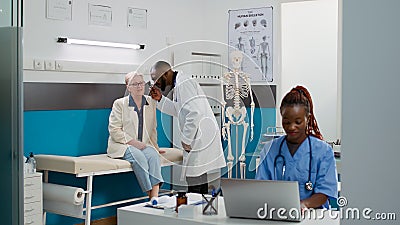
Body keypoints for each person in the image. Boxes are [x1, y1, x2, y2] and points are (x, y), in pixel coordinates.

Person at [149, 61, 226, 194]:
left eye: (156, 79)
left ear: (167, 73)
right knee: (198, 176)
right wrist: (160, 99)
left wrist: (186, 140)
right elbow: (179, 111)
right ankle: (200, 208)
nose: (155, 83)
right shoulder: (179, 84)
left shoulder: (184, 83)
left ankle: (194, 211)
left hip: (200, 136)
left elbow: (194, 113)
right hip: (200, 134)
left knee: (194, 178)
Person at [256, 85, 337, 209]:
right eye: (286, 122)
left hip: (314, 215)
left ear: (307, 119)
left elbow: (324, 192)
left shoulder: (323, 151)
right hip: (278, 213)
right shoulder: (269, 149)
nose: (291, 127)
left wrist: (304, 204)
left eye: (298, 122)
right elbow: (260, 188)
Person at [107, 71, 164, 205]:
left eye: (141, 83)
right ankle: (151, 195)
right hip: (123, 145)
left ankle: (154, 197)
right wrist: (133, 143)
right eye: (135, 84)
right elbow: (114, 130)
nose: (139, 86)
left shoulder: (150, 102)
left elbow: (153, 129)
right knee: (138, 156)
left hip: (143, 145)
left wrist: (155, 147)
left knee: (154, 156)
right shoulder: (120, 104)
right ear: (128, 87)